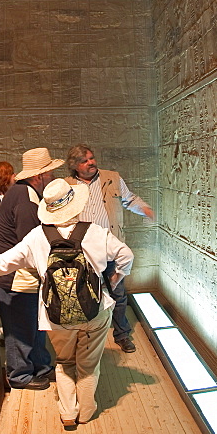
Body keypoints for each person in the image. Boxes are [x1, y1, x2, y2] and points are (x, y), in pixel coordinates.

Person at [0, 178, 133, 428]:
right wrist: (116, 279)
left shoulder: (37, 237)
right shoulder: (96, 232)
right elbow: (126, 255)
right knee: (88, 365)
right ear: (76, 205)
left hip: (55, 313)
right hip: (95, 311)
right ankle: (86, 412)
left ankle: (67, 413)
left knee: (64, 363)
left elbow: (10, 259)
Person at [0, 146, 64, 390]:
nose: (53, 177)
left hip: (16, 276)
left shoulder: (23, 193)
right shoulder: (27, 200)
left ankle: (40, 366)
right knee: (20, 330)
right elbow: (30, 244)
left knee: (34, 324)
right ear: (38, 176)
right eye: (50, 173)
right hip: (13, 279)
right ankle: (20, 375)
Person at [66, 144, 154, 353]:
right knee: (82, 295)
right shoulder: (67, 184)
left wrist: (145, 209)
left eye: (92, 158)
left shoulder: (111, 177)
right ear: (75, 166)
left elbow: (129, 199)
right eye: (85, 161)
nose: (91, 163)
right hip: (84, 252)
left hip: (110, 248)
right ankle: (84, 337)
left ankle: (121, 334)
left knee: (118, 293)